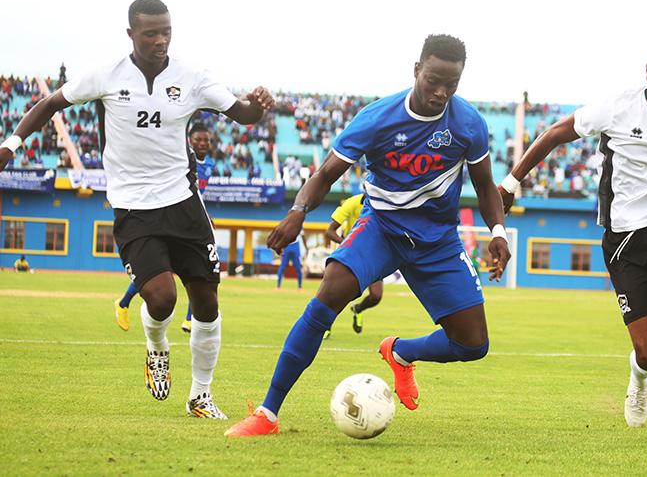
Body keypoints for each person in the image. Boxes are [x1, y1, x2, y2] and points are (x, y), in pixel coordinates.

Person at [0, 0, 274, 419]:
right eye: (151, 34)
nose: (161, 40)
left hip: (183, 202)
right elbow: (50, 104)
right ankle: (156, 346)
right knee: (161, 299)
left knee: (206, 301)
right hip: (132, 207)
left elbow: (243, 114)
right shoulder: (106, 74)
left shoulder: (193, 76)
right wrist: (10, 145)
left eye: (167, 31)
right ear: (131, 34)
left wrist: (258, 103)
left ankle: (200, 395)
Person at [225, 34, 511, 437]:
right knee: (327, 297)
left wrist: (497, 231)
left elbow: (484, 186)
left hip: (438, 241)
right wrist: (297, 213)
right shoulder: (377, 118)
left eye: (452, 84)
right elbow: (325, 174)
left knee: (472, 345)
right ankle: (267, 413)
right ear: (417, 70)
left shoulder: (468, 123)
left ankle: (401, 351)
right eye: (433, 81)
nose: (441, 92)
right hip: (381, 229)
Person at [498, 43, 647, 438]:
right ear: (646, 69)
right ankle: (639, 382)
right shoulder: (616, 106)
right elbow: (555, 134)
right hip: (625, 239)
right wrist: (510, 183)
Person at [114, 122, 217, 334]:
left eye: (206, 140)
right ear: (189, 140)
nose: (202, 143)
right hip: (166, 216)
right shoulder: (179, 157)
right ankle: (124, 303)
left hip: (191, 217)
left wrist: (203, 214)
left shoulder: (209, 165)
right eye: (198, 139)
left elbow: (197, 191)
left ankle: (189, 319)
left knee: (197, 268)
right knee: (159, 271)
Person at [323, 193, 383, 339]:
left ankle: (357, 309)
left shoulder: (384, 204)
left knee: (376, 296)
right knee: (339, 293)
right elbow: (330, 231)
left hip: (373, 253)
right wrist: (348, 243)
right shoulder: (352, 203)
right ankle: (325, 326)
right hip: (351, 253)